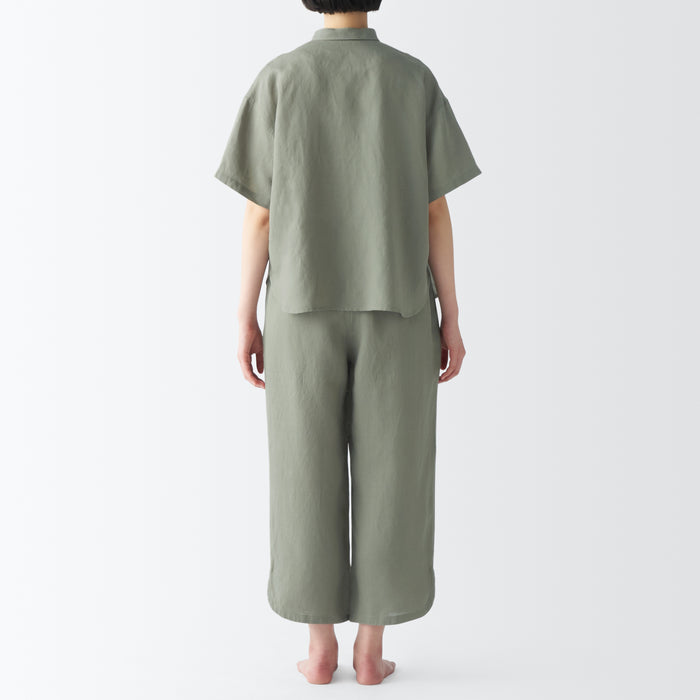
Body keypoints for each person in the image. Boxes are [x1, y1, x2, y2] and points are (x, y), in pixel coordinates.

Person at [214, 0, 482, 686]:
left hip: (301, 308)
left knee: (302, 472)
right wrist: (451, 314)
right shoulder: (412, 79)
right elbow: (435, 209)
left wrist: (244, 313)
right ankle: (370, 648)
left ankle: (318, 648)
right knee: (396, 472)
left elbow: (260, 216)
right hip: (399, 308)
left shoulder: (281, 78)